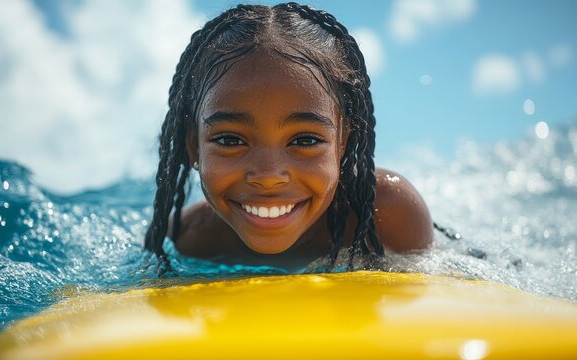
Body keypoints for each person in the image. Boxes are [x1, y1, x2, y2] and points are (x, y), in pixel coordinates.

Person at [144, 2, 433, 272]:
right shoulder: (185, 243)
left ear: (343, 142)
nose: (268, 176)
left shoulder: (387, 215)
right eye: (230, 140)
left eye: (305, 140)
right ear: (193, 146)